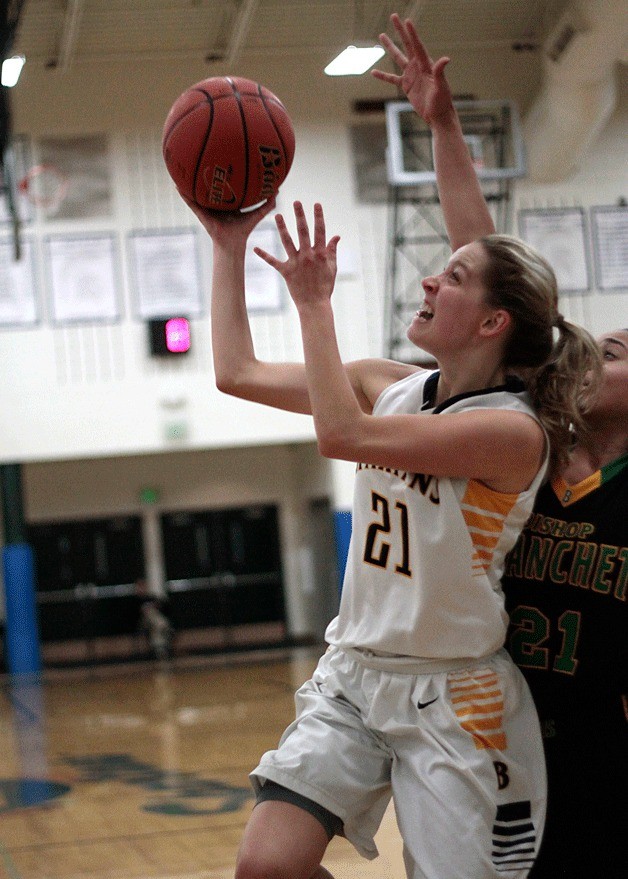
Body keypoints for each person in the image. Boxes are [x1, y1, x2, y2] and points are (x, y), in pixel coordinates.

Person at [183, 13, 601, 879]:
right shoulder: (391, 382)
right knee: (266, 867)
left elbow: (341, 435)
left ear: (491, 323)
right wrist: (228, 245)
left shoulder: (509, 430)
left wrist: (315, 304)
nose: (429, 277)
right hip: (354, 674)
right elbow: (234, 370)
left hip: (454, 695)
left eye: (452, 278)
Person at [502, 327, 628, 879]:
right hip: (497, 733)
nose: (582, 362)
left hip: (605, 750)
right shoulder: (522, 451)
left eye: (608, 354)